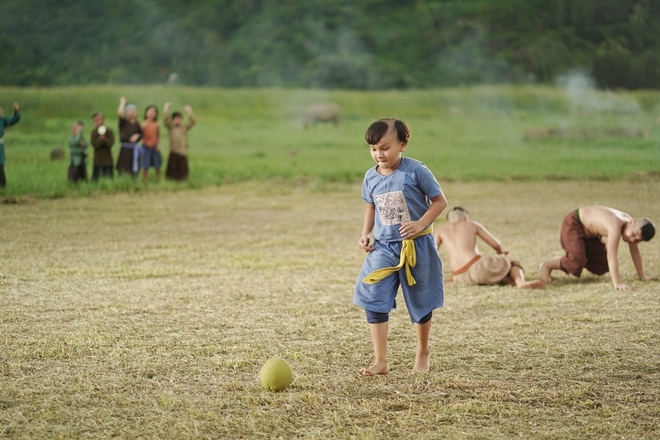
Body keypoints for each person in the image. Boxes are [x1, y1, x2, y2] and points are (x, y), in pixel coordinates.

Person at [353, 118, 448, 376]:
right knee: (374, 297)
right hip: (384, 248)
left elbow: (440, 202)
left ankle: (422, 352)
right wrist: (365, 234)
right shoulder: (370, 176)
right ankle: (380, 361)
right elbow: (371, 206)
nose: (378, 154)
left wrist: (420, 224)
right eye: (373, 149)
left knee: (422, 300)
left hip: (417, 247)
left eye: (385, 148)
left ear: (403, 145)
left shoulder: (416, 171)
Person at [538, 206, 656, 290]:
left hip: (591, 236)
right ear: (632, 222)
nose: (632, 239)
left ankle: (568, 259)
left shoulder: (630, 228)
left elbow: (635, 253)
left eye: (637, 240)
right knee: (577, 261)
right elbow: (612, 255)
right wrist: (617, 283)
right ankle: (547, 265)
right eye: (634, 234)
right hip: (574, 223)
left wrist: (642, 276)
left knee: (603, 265)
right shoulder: (616, 225)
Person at [434, 206, 545, 288]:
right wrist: (501, 252)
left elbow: (432, 253)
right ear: (466, 217)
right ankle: (521, 282)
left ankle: (504, 278)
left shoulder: (441, 230)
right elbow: (496, 244)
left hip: (459, 275)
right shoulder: (471, 224)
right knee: (511, 263)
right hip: (478, 267)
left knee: (492, 269)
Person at [163, 102, 195, 181]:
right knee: (173, 168)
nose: (177, 120)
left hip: (182, 151)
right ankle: (172, 180)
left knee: (182, 168)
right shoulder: (171, 128)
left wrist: (189, 111)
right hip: (173, 151)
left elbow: (192, 121)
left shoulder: (184, 128)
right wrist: (166, 108)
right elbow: (165, 121)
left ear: (181, 120)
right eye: (175, 119)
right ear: (173, 121)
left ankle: (183, 180)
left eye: (179, 119)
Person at [116, 97, 142, 178]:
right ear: (126, 112)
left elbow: (141, 133)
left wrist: (137, 135)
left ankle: (134, 181)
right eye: (130, 111)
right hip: (125, 149)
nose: (132, 113)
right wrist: (122, 102)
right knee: (123, 168)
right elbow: (120, 114)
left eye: (134, 111)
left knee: (134, 168)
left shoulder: (137, 124)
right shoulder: (123, 122)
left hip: (134, 149)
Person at [0, 102, 21, 188]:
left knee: (0, 168)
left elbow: (13, 120)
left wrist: (16, 111)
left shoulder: (2, 120)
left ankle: (2, 188)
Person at [90, 112, 115, 181]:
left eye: (98, 120)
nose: (97, 122)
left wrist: (105, 140)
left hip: (107, 159)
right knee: (96, 179)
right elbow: (94, 144)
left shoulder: (109, 131)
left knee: (109, 177)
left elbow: (111, 143)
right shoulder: (94, 132)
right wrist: (100, 140)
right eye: (95, 120)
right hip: (98, 160)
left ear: (103, 120)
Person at [140, 104, 161, 183]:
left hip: (154, 146)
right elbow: (140, 135)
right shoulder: (143, 124)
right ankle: (145, 181)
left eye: (154, 112)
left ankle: (158, 180)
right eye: (150, 112)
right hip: (146, 146)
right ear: (146, 113)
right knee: (145, 165)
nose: (152, 114)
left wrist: (158, 145)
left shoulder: (156, 124)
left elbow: (158, 135)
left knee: (157, 165)